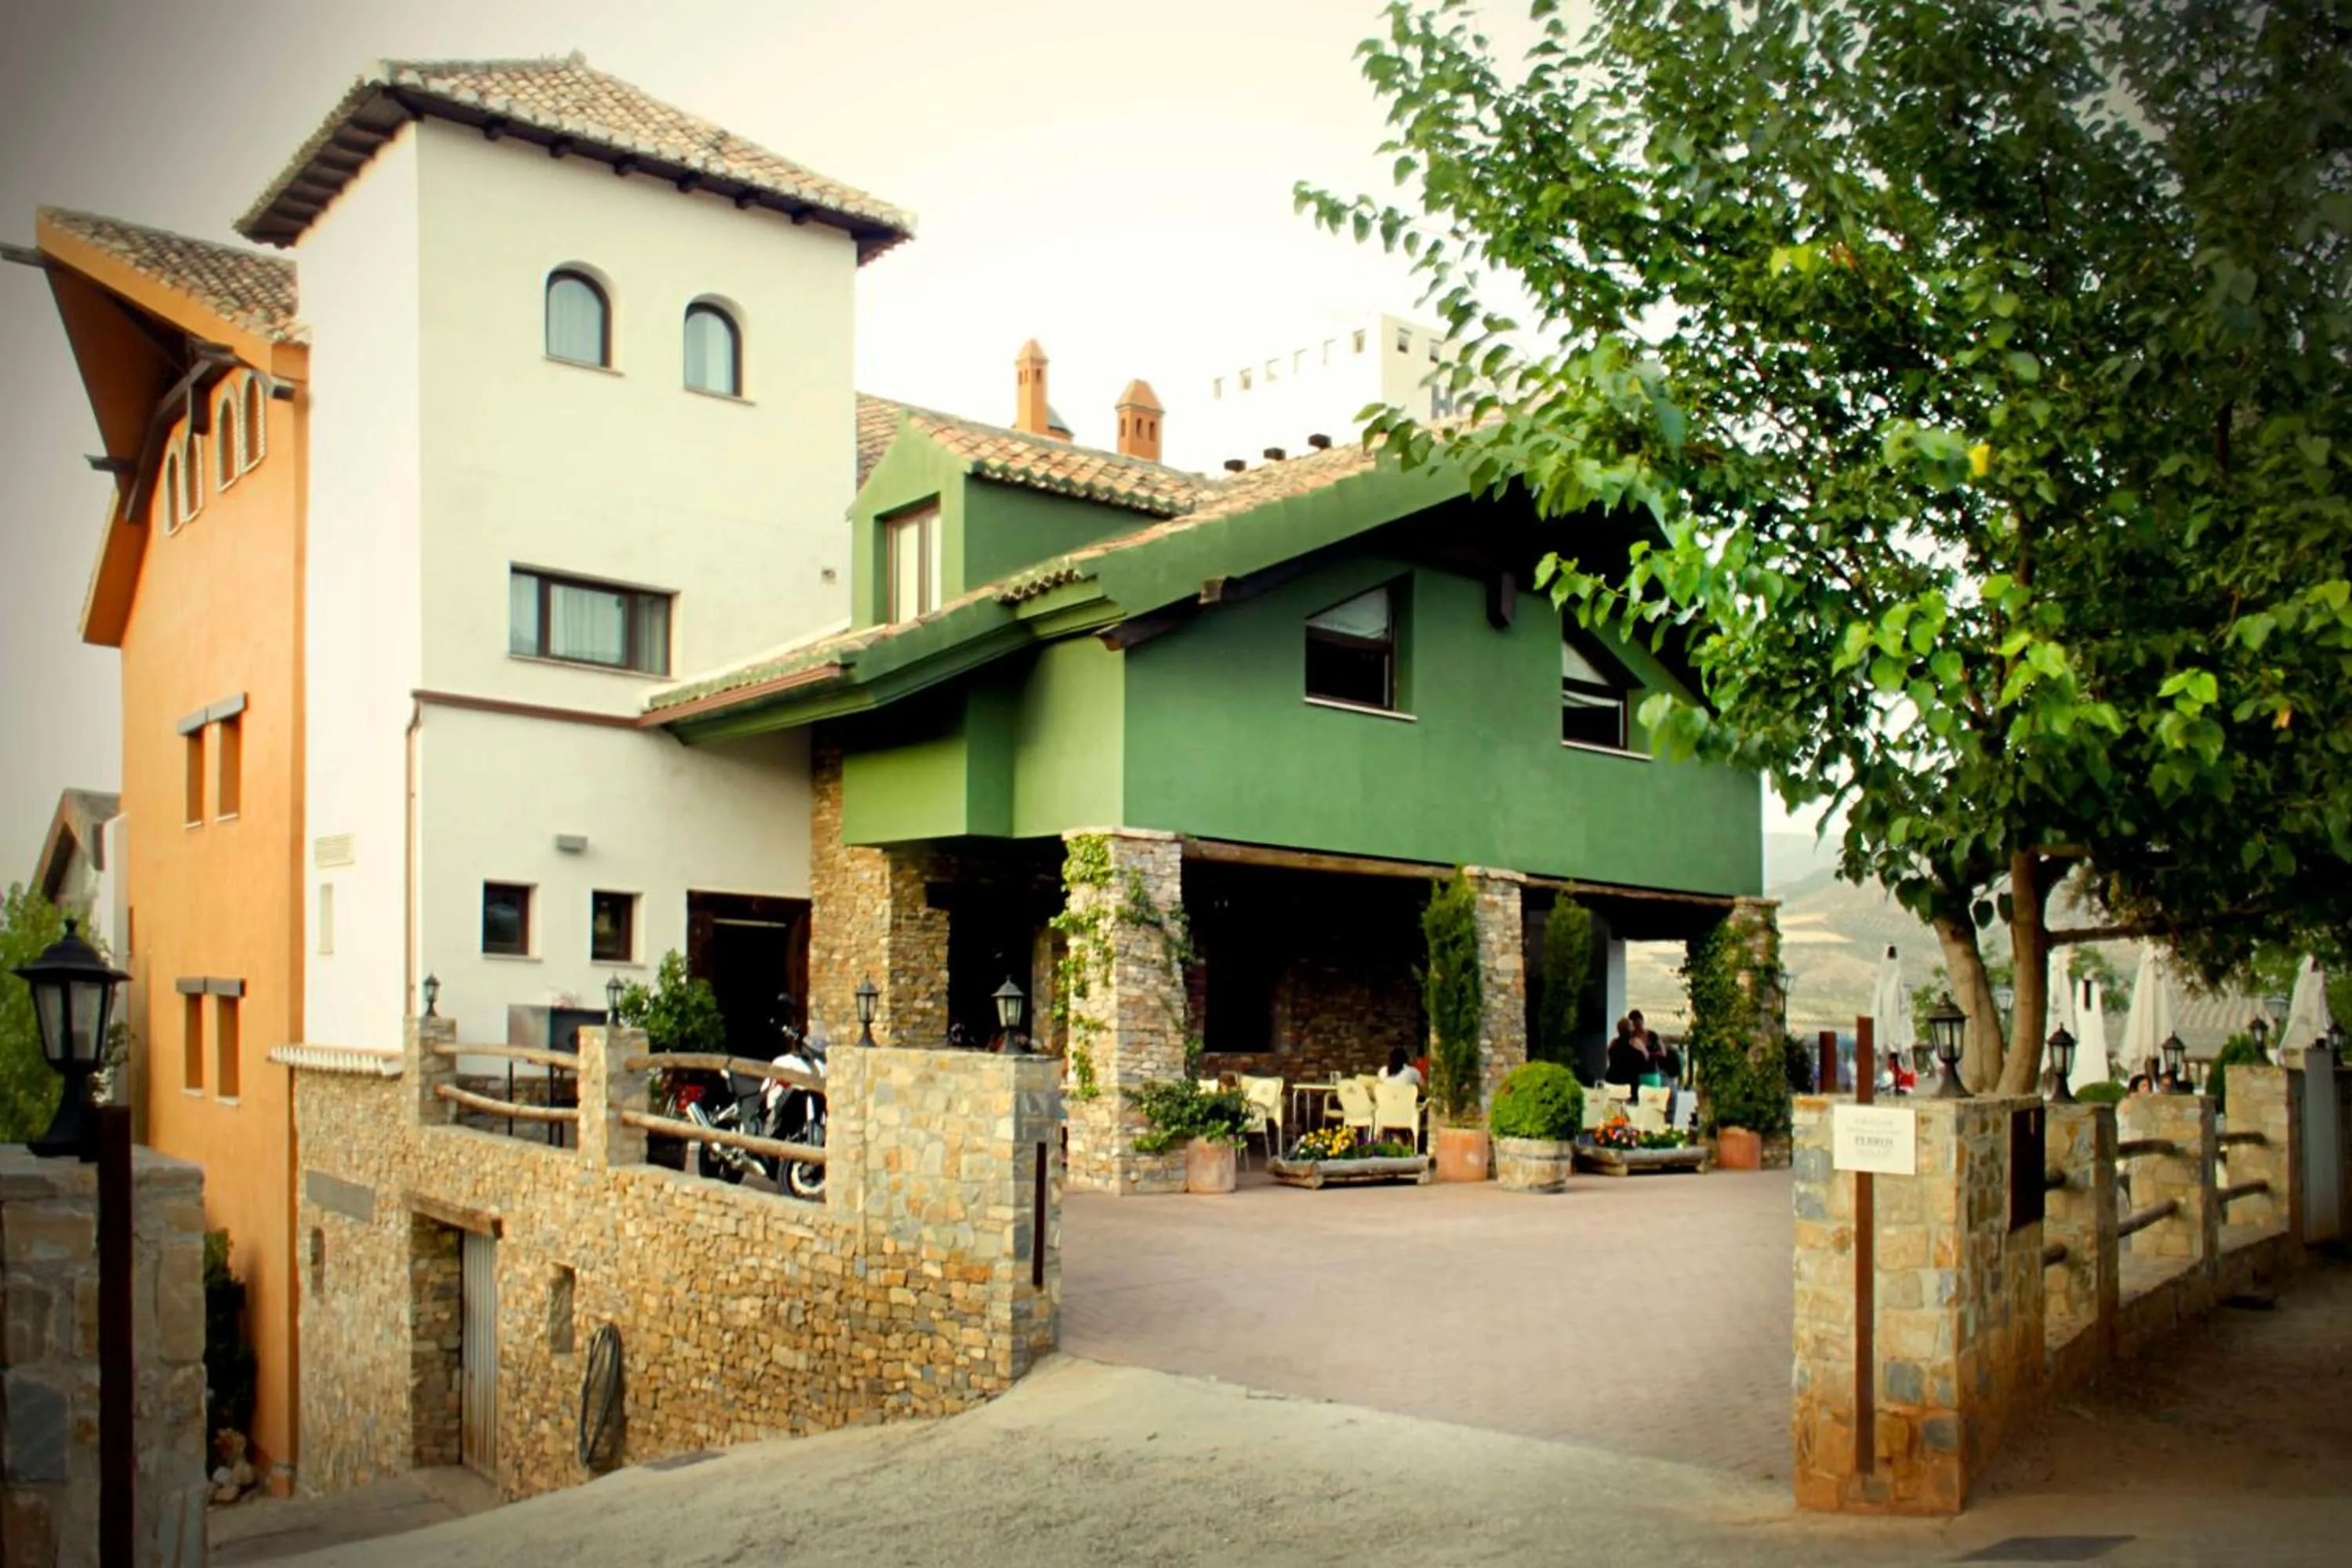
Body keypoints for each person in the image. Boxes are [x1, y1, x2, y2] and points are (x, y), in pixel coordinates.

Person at [1606, 1018, 1646, 1087]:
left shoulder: (1613, 1043)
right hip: (1629, 1082)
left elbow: (1609, 1057)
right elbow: (1646, 1058)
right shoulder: (1636, 1043)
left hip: (1612, 1079)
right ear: (1631, 1029)